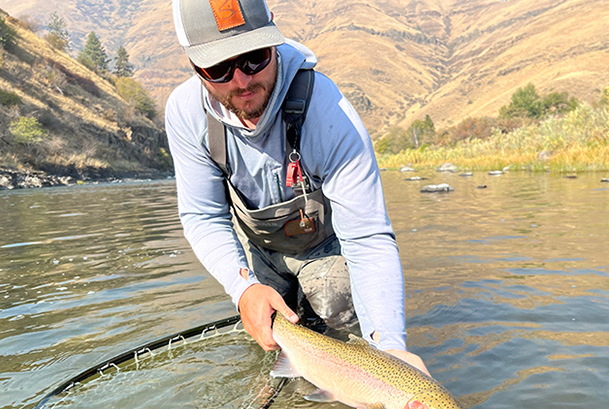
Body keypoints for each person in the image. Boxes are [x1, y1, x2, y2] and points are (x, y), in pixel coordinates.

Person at [166, 0, 427, 374]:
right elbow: (204, 216)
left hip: (326, 248)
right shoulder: (186, 113)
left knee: (339, 325)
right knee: (270, 342)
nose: (242, 80)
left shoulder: (328, 111)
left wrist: (389, 351)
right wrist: (244, 290)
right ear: (194, 65)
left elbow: (367, 238)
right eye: (219, 68)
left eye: (254, 56)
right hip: (260, 253)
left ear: (274, 35)